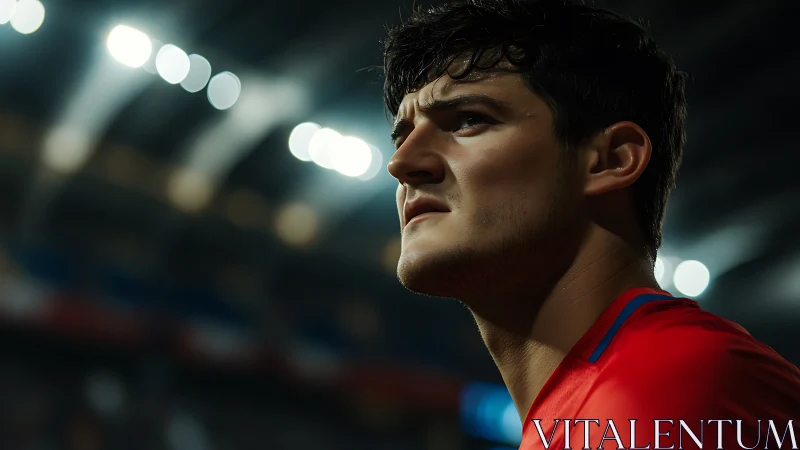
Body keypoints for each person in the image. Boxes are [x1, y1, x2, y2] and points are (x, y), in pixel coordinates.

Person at [382, 0, 800, 448]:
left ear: (611, 159)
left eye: (469, 121)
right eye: (402, 134)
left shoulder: (669, 383)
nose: (402, 163)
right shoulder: (602, 404)